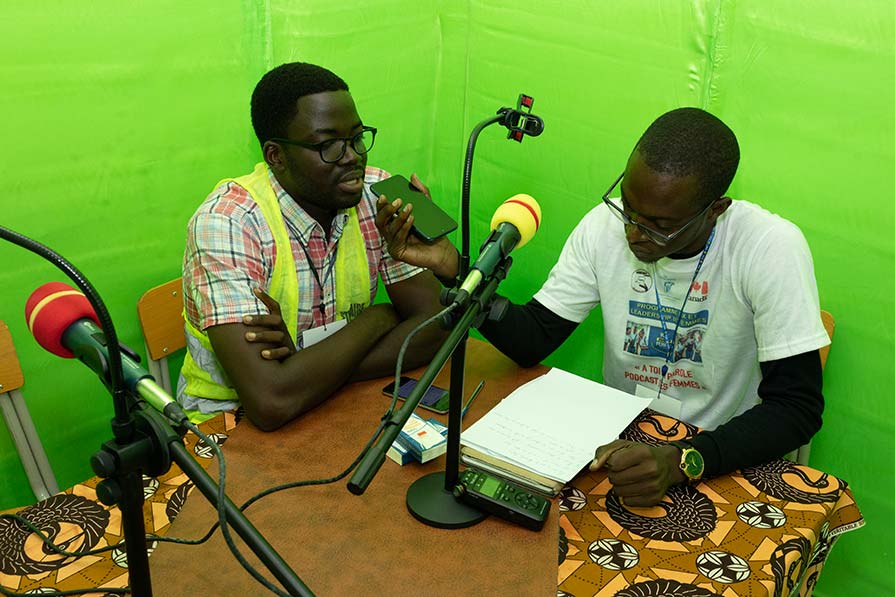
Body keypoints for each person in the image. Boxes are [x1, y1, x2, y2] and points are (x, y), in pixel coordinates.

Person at [375, 107, 829, 506]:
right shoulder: (603, 228)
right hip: (621, 444)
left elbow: (797, 407)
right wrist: (454, 268)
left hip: (721, 454)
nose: (634, 233)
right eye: (629, 208)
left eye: (660, 225)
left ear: (716, 210)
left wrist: (683, 461)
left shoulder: (769, 247)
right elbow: (533, 338)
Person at [177, 62, 446, 431]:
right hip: (224, 425)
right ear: (276, 156)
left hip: (331, 402)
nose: (352, 156)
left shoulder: (375, 193)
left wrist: (306, 370)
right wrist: (378, 318)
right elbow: (271, 400)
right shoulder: (228, 223)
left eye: (356, 137)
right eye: (328, 145)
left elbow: (435, 328)